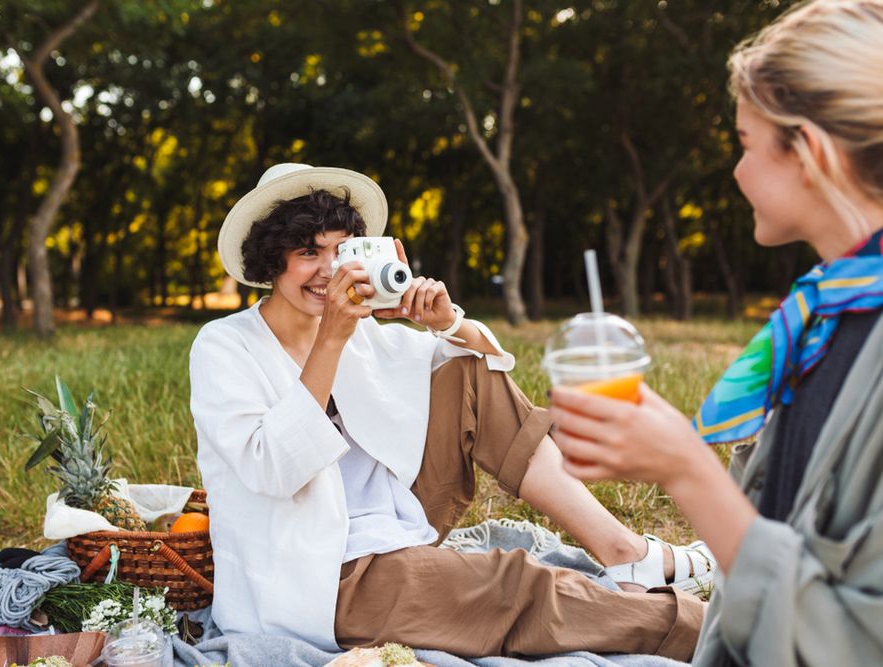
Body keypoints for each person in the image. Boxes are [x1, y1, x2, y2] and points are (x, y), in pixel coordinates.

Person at [190, 163, 708, 660]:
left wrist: (446, 321)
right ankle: (705, 631)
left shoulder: (365, 334)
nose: (329, 270)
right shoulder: (224, 347)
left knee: (468, 371)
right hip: (319, 576)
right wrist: (331, 339)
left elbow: (486, 365)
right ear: (269, 259)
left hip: (398, 521)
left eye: (340, 251)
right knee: (514, 586)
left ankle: (625, 554)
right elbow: (271, 469)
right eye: (307, 251)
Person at [546, 1, 883, 665]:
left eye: (744, 145)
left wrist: (685, 467)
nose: (734, 173)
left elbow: (852, 643)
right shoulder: (820, 319)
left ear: (810, 152)